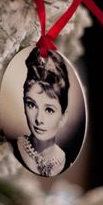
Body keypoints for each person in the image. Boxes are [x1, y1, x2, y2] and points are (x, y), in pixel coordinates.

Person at [12, 47, 70, 177]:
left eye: (49, 109)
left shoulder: (67, 162)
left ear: (63, 117)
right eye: (31, 105)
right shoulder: (10, 151)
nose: (39, 119)